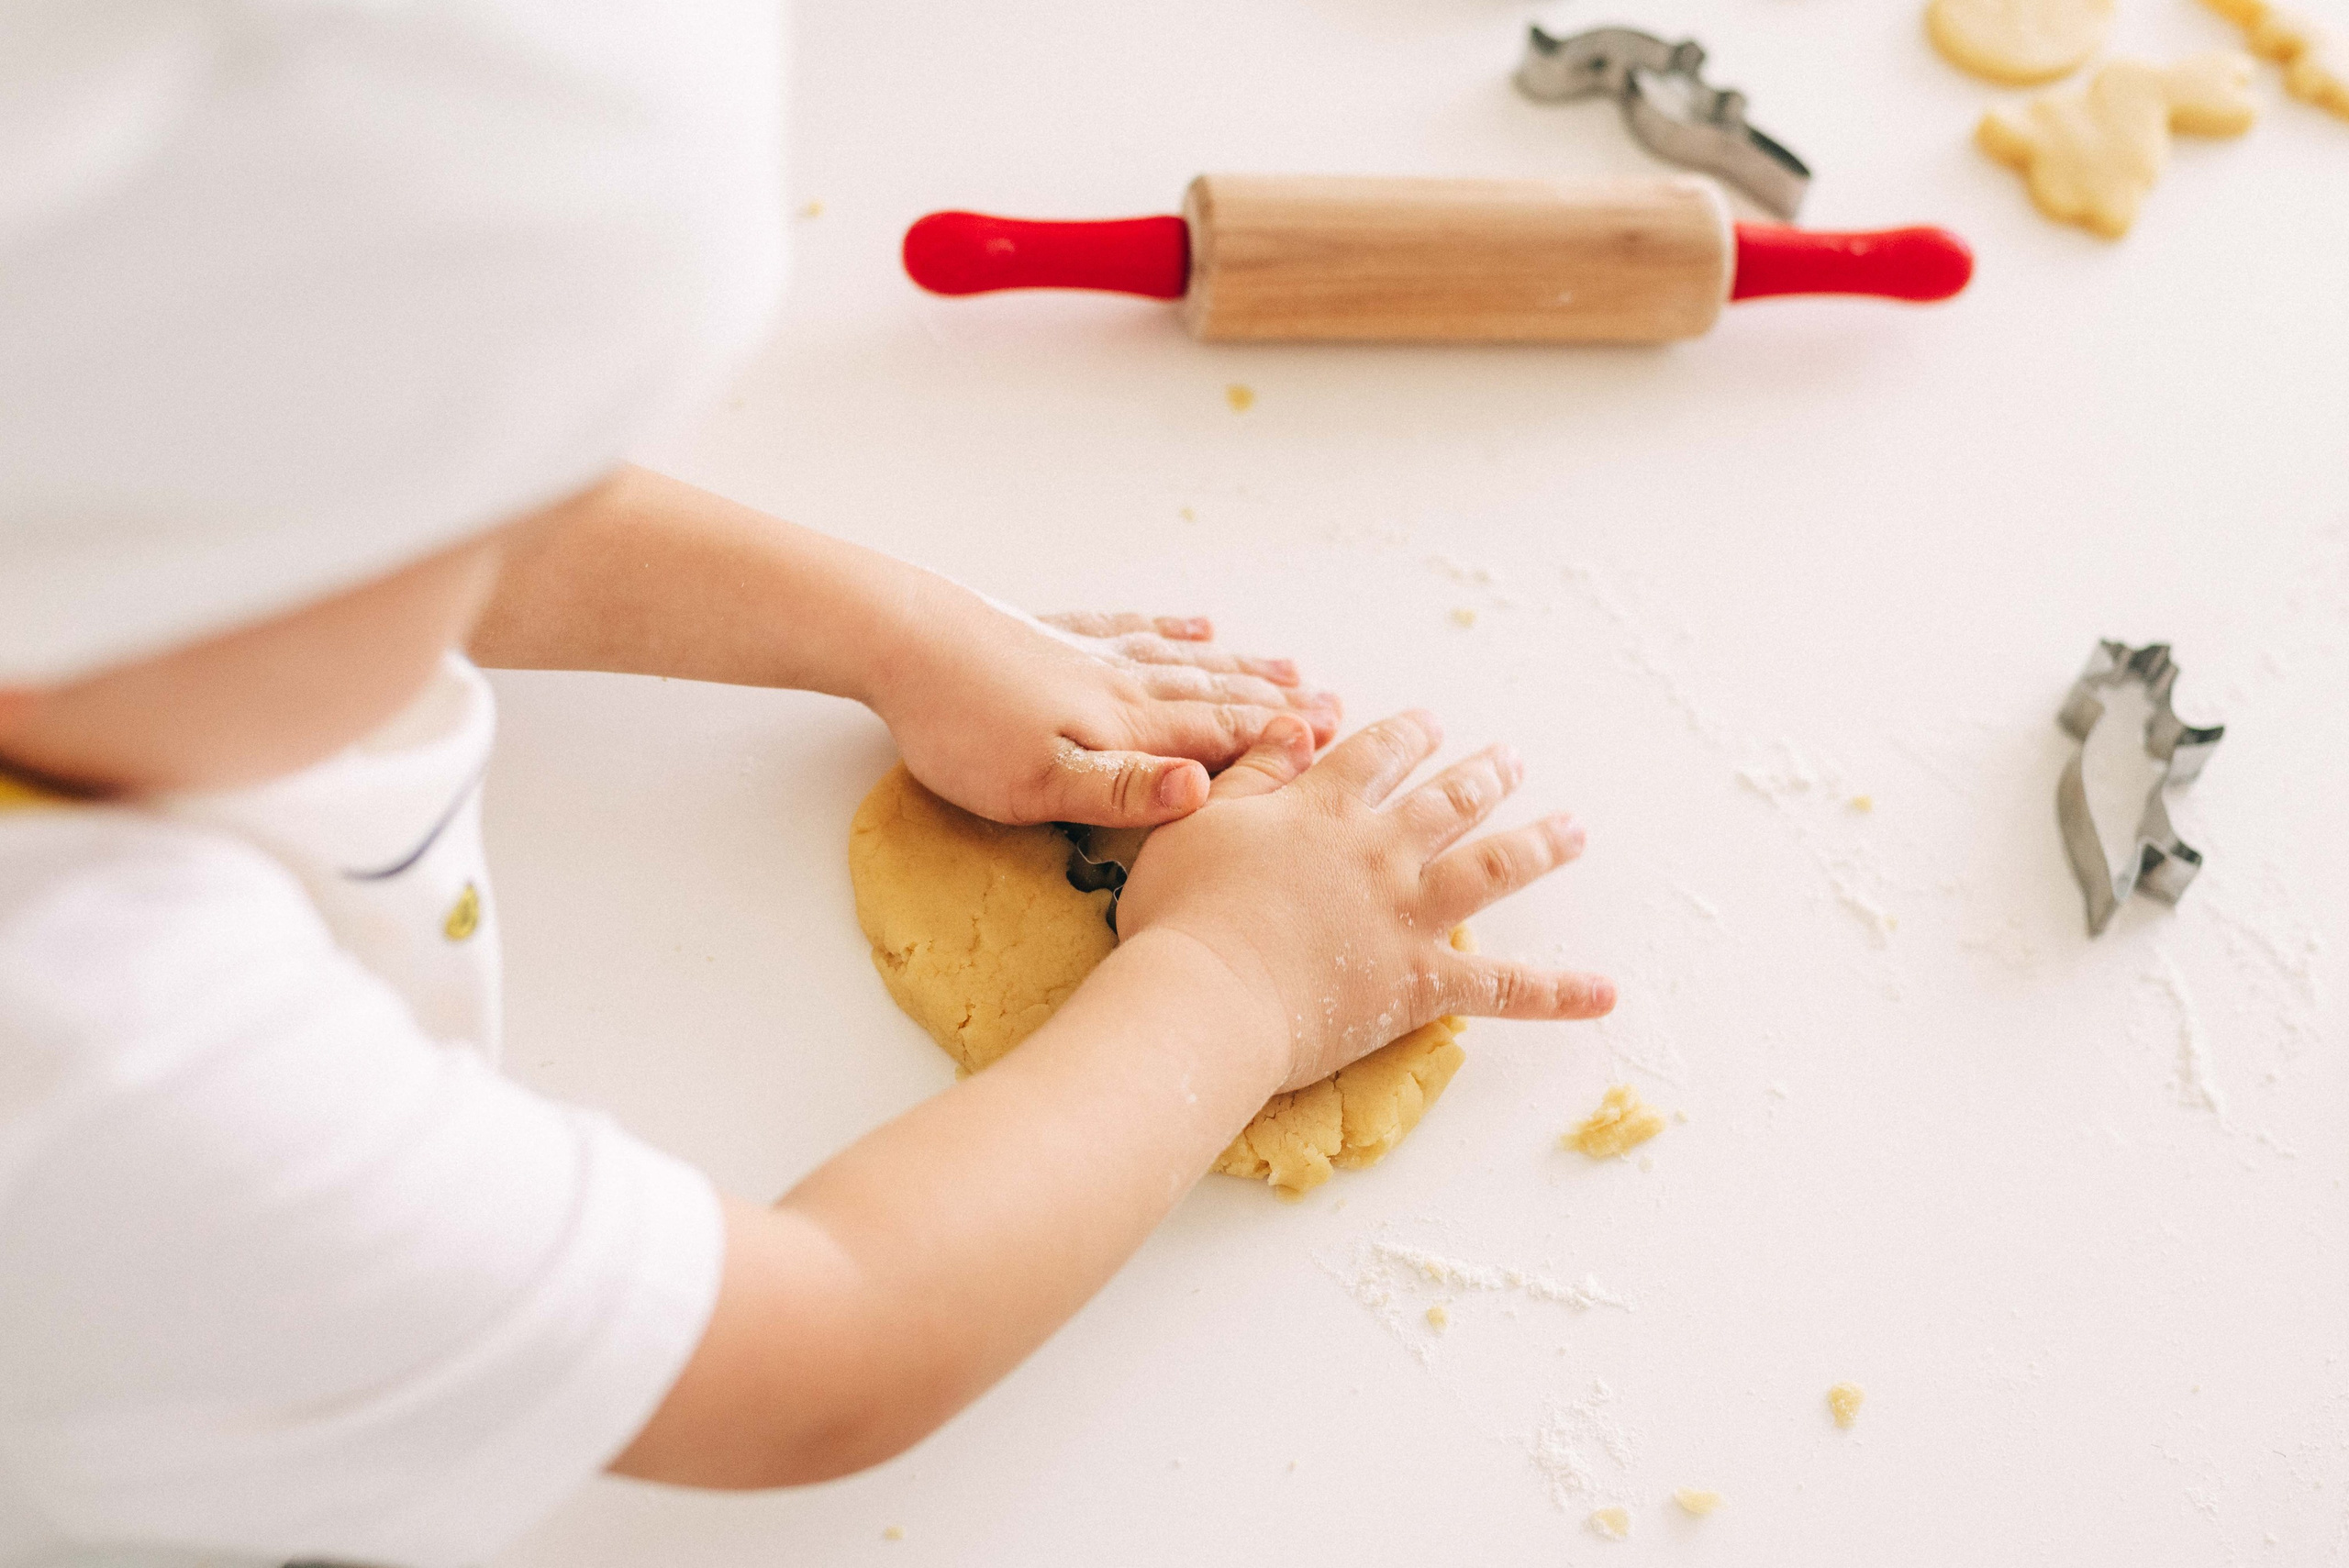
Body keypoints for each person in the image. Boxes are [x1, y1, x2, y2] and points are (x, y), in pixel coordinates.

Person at [0, 5, 1615, 1562]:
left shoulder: (104, 523)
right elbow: (828, 1344)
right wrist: (1238, 976)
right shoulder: (105, 1075)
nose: (514, 542)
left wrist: (894, 630)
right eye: (466, 510)